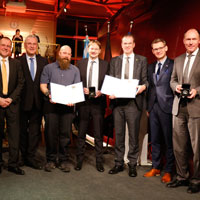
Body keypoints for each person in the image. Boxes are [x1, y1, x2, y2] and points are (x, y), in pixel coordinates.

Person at [108, 34, 148, 177]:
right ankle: (118, 163)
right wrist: (110, 92)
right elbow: (110, 80)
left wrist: (143, 87)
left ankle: (132, 164)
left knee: (133, 135)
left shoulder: (142, 60)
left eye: (129, 43)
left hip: (133, 102)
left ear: (134, 44)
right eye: (124, 43)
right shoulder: (114, 61)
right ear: (122, 44)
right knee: (118, 135)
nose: (127, 46)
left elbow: (146, 81)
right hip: (118, 103)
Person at [167, 28, 200, 193]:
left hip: (196, 108)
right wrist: (176, 87)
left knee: (197, 148)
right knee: (179, 146)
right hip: (179, 108)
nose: (190, 42)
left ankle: (197, 180)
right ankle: (181, 177)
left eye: (194, 39)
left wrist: (197, 90)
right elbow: (172, 80)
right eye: (188, 39)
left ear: (199, 41)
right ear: (184, 41)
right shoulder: (178, 59)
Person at [40, 45, 80, 173]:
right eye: (63, 53)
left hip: (67, 108)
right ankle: (50, 160)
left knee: (65, 135)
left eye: (68, 53)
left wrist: (73, 99)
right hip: (51, 106)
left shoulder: (75, 70)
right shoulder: (48, 68)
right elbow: (43, 86)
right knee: (50, 134)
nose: (66, 56)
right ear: (59, 54)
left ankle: (63, 160)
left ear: (71, 55)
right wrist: (49, 94)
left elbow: (76, 88)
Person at [74, 40, 109, 172]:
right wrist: (81, 89)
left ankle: (99, 162)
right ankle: (79, 161)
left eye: (96, 49)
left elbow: (108, 82)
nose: (93, 51)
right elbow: (76, 81)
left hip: (98, 104)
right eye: (91, 48)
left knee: (98, 134)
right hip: (83, 102)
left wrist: (103, 91)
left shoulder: (106, 65)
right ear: (88, 50)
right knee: (81, 132)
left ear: (100, 51)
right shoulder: (80, 63)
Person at [143, 38, 174, 183]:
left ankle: (168, 170)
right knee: (154, 139)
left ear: (166, 48)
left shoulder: (174, 65)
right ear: (152, 51)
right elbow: (150, 87)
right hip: (153, 107)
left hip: (167, 107)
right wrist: (148, 107)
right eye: (155, 49)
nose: (158, 51)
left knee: (168, 140)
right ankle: (156, 167)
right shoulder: (150, 67)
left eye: (160, 48)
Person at [18, 35, 48, 170]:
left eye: (34, 44)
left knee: (35, 132)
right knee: (22, 131)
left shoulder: (44, 61)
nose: (31, 46)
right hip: (21, 103)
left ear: (37, 46)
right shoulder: (17, 61)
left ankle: (31, 157)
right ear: (25, 45)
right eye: (29, 43)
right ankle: (23, 156)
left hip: (38, 103)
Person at [0, 37, 24, 175]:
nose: (5, 48)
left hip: (12, 104)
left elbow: (21, 83)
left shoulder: (16, 63)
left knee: (14, 135)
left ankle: (13, 164)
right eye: (3, 45)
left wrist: (10, 98)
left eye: (8, 46)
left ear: (11, 48)